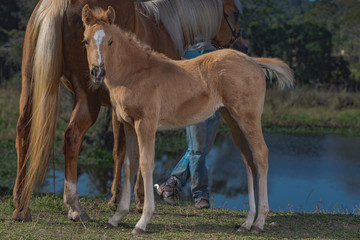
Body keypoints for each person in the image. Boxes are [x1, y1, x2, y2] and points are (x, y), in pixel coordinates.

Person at [155, 39, 221, 209]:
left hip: (214, 99)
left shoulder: (216, 34)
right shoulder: (184, 37)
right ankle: (200, 196)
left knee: (201, 149)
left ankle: (171, 183)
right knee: (198, 150)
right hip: (192, 100)